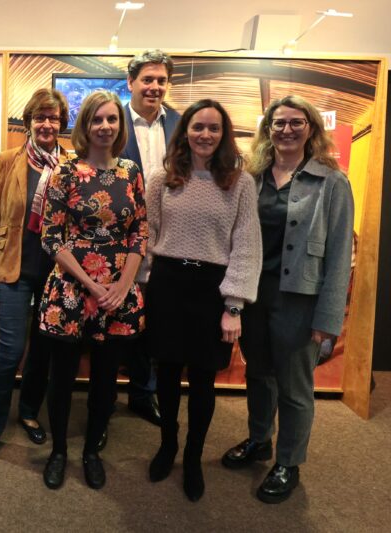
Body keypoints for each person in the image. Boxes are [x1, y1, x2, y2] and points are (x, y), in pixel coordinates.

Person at [221, 95, 354, 504]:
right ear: (268, 130)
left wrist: (328, 318)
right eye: (278, 123)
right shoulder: (253, 177)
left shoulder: (332, 181)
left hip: (301, 298)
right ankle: (260, 440)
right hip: (255, 293)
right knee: (258, 374)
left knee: (296, 387)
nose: (287, 130)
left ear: (311, 128)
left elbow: (338, 257)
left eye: (296, 123)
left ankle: (288, 462)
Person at [144, 99, 261, 501]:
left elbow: (246, 245)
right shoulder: (163, 178)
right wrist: (141, 287)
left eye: (214, 128)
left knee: (203, 380)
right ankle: (168, 445)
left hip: (211, 289)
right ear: (185, 131)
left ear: (224, 134)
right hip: (167, 284)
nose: (205, 135)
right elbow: (148, 236)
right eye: (198, 127)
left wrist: (234, 306)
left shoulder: (239, 182)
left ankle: (192, 458)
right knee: (168, 373)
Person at [38, 91, 147, 490]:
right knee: (62, 375)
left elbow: (140, 230)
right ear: (85, 125)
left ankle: (90, 453)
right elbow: (51, 237)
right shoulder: (65, 172)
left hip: (118, 290)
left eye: (112, 119)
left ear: (120, 125)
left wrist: (122, 284)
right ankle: (59, 451)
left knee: (106, 377)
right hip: (71, 287)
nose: (105, 126)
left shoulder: (131, 172)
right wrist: (91, 283)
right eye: (97, 119)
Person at [0, 88, 70, 472]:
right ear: (28, 122)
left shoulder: (73, 164)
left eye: (53, 118)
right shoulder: (7, 161)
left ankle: (29, 411)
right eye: (39, 117)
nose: (46, 124)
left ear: (61, 123)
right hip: (14, 268)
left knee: (43, 351)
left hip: (58, 273)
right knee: (9, 353)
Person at [119, 49, 182, 428]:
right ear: (131, 83)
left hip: (167, 238)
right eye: (147, 79)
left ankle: (145, 392)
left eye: (161, 80)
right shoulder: (111, 120)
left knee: (155, 318)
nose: (155, 87)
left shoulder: (180, 122)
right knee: (116, 318)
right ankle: (105, 393)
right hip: (120, 240)